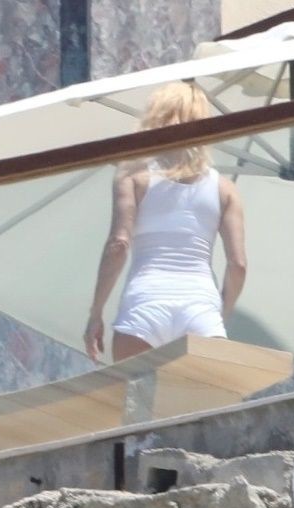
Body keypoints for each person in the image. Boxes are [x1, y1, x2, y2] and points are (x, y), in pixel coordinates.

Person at [84, 81, 246, 363]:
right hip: (200, 306)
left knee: (138, 392)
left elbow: (119, 244)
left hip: (145, 304)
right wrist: (221, 314)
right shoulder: (225, 189)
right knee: (203, 393)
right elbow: (238, 265)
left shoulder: (133, 175)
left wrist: (95, 313)